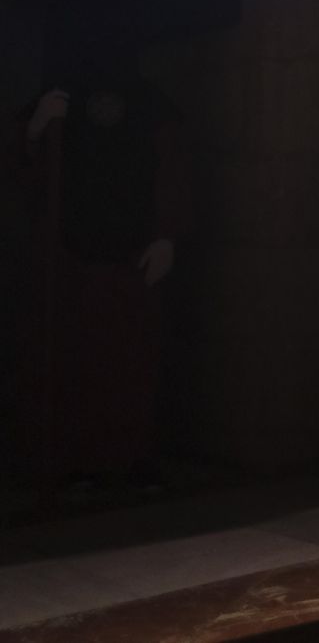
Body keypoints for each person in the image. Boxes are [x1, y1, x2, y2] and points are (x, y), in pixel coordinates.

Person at [12, 39, 189, 494]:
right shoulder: (60, 97)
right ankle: (73, 460)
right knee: (75, 363)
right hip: (70, 258)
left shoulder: (151, 103)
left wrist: (166, 235)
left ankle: (130, 456)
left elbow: (170, 168)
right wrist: (34, 129)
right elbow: (24, 175)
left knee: (130, 363)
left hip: (131, 258)